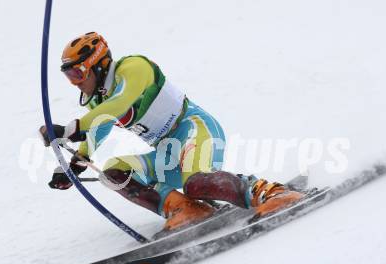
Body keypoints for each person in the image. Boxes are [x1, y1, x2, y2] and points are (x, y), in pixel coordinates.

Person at [40, 32, 304, 232]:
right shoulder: (98, 101)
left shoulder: (133, 68)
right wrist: (74, 164)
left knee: (197, 183)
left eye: (77, 73)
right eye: (69, 76)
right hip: (167, 152)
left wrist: (72, 128)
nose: (75, 83)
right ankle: (187, 209)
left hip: (194, 131)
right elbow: (97, 130)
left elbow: (119, 103)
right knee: (113, 173)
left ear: (97, 64)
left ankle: (272, 193)